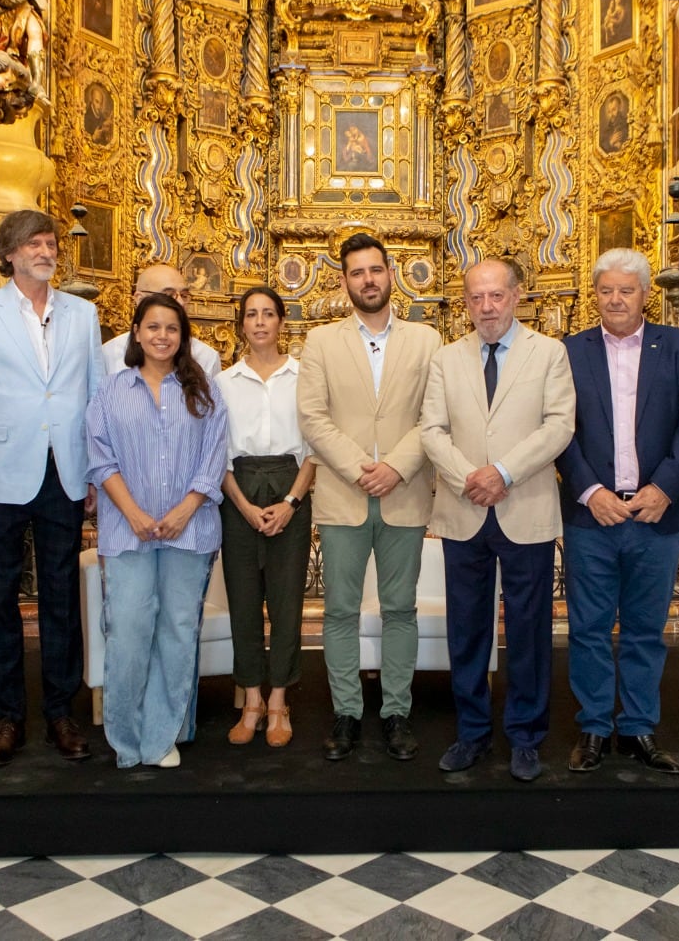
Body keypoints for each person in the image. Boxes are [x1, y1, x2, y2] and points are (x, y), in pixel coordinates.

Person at [0, 209, 103, 768]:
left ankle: (62, 712)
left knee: (63, 598)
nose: (46, 250)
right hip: (0, 476)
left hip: (65, 474)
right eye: (34, 243)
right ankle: (8, 716)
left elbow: (96, 400)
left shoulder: (83, 315)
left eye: (51, 242)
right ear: (9, 252)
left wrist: (95, 473)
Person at [420, 260, 575, 782]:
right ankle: (472, 732)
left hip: (524, 507)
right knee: (467, 630)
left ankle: (526, 736)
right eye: (476, 298)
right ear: (465, 303)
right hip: (464, 509)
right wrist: (472, 476)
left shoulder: (549, 353)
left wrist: (503, 472)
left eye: (496, 296)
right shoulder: (446, 359)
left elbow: (560, 426)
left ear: (517, 296)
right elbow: (431, 429)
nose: (486, 307)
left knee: (529, 629)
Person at [556, 248, 679, 774]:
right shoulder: (569, 352)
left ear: (646, 294)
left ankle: (640, 727)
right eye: (606, 290)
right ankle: (595, 727)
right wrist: (588, 490)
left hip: (654, 516)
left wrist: (665, 487)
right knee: (590, 628)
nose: (615, 299)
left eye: (626, 289)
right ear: (595, 294)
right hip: (591, 517)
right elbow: (558, 429)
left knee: (646, 629)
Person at [297, 231, 440, 761]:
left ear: (390, 273)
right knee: (339, 612)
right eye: (357, 272)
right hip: (342, 494)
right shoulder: (321, 342)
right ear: (344, 281)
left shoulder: (426, 341)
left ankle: (397, 712)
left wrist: (397, 467)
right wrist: (363, 469)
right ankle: (346, 713)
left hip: (404, 494)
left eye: (375, 269)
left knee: (400, 609)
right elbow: (313, 417)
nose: (368, 279)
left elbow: (434, 415)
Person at [85, 293, 228, 768]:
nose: (162, 336)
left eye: (171, 328)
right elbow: (100, 459)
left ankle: (163, 736)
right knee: (127, 629)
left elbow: (213, 458)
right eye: (153, 327)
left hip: (190, 532)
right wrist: (135, 515)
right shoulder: (111, 391)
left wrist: (187, 508)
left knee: (177, 631)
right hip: (129, 534)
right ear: (137, 334)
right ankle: (127, 738)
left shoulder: (204, 390)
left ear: (183, 336)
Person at [214, 287, 316, 748]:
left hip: (290, 487)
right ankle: (251, 700)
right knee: (244, 601)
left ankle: (279, 701)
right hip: (238, 491)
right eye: (251, 314)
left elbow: (315, 448)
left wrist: (291, 503)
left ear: (281, 322)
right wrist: (244, 506)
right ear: (241, 323)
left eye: (268, 314)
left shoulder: (303, 377)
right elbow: (215, 454)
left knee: (286, 602)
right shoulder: (223, 382)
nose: (259, 322)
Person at [102, 264, 221, 378]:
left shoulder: (206, 357)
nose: (180, 302)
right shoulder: (109, 355)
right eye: (169, 295)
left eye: (184, 295)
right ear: (140, 299)